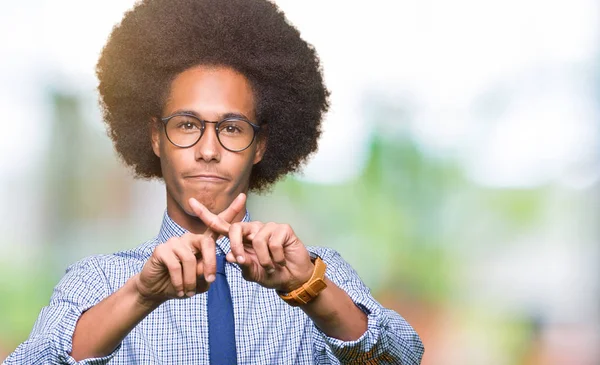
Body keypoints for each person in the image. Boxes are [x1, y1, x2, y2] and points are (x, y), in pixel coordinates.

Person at [4, 0, 424, 364]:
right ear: (155, 137)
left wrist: (308, 289)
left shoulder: (313, 273)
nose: (208, 149)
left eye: (233, 128)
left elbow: (400, 358)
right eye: (187, 125)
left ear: (259, 145)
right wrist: (141, 297)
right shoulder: (99, 282)